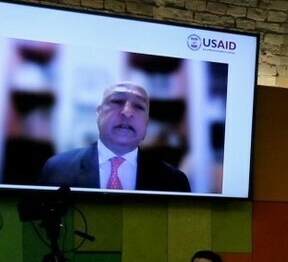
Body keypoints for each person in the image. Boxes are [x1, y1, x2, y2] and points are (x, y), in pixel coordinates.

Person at [41, 81, 191, 193]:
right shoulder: (57, 170)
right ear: (98, 112)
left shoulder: (174, 182)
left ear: (146, 123)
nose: (127, 112)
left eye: (139, 106)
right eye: (117, 101)